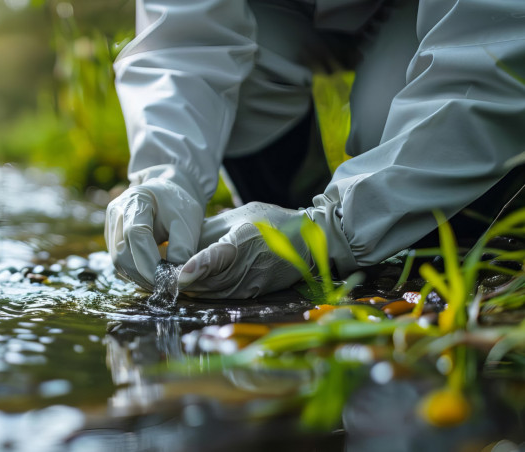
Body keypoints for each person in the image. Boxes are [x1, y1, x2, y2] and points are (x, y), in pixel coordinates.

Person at [104, 0, 525, 299]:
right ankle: (284, 223)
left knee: (385, 128)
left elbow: (493, 48)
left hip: (437, 14)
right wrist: (166, 171)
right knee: (242, 76)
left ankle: (454, 246)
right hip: (284, 13)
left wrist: (335, 231)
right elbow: (183, 42)